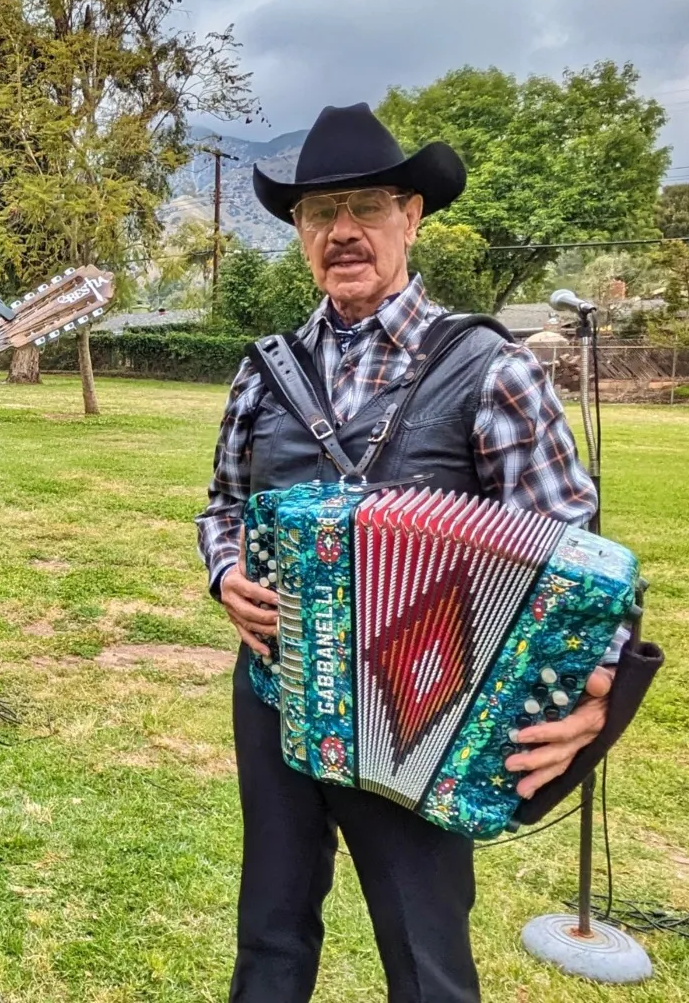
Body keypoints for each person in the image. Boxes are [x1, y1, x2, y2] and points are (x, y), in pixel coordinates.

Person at [197, 103, 618, 1003]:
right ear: (300, 232)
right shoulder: (264, 372)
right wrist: (226, 571)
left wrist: (599, 690)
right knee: (269, 932)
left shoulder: (491, 367)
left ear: (411, 215)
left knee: (426, 958)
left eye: (367, 207)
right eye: (320, 212)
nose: (343, 231)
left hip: (428, 702)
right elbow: (224, 507)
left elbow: (574, 556)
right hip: (275, 688)